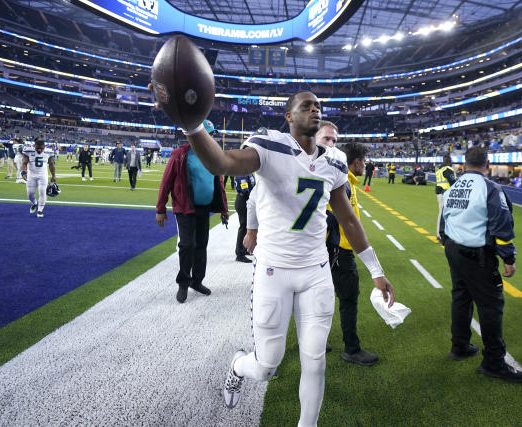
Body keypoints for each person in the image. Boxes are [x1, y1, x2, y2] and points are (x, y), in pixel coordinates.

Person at [151, 86, 395, 425]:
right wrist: (192, 125)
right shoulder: (267, 144)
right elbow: (221, 162)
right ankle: (239, 365)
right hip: (273, 271)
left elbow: (348, 219)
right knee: (267, 366)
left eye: (318, 106)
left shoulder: (335, 161)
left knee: (315, 361)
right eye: (306, 106)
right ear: (289, 116)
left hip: (316, 271)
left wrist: (376, 270)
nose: (315, 110)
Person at [439, 146, 522, 383]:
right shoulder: (490, 188)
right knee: (490, 306)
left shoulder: (453, 186)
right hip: (476, 253)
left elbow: (443, 218)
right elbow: (502, 225)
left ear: (464, 164)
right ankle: (494, 363)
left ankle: (459, 346)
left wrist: (446, 242)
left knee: (461, 297)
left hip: (453, 247)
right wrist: (508, 258)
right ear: (487, 165)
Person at [325, 142, 380, 366]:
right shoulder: (343, 182)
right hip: (339, 251)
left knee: (324, 298)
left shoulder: (346, 181)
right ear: (356, 162)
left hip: (335, 250)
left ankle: (315, 341)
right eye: (364, 161)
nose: (365, 165)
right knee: (348, 299)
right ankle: (351, 348)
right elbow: (331, 219)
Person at [155, 141, 229, 303]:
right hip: (185, 207)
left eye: (211, 135)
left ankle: (197, 281)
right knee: (187, 245)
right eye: (207, 134)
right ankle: (183, 283)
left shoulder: (213, 155)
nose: (208, 137)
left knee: (201, 245)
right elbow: (166, 181)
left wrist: (223, 208)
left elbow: (219, 183)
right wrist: (160, 208)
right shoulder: (180, 154)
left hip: (204, 207)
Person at [21, 138, 56, 218]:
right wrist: (24, 172)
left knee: (42, 192)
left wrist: (53, 175)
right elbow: (24, 162)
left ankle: (40, 210)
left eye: (41, 148)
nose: (39, 150)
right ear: (34, 146)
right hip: (31, 175)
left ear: (44, 146)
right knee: (30, 194)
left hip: (43, 175)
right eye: (37, 148)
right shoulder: (28, 150)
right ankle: (34, 203)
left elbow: (51, 164)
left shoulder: (48, 151)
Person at [234, 173, 256, 263]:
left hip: (246, 199)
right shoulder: (242, 174)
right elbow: (245, 190)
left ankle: (244, 249)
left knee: (246, 225)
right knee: (243, 226)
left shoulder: (248, 172)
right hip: (243, 200)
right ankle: (239, 253)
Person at [435, 155, 456, 239]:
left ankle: (439, 233)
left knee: (441, 212)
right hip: (446, 192)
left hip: (439, 191)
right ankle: (441, 234)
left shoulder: (440, 169)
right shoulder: (448, 169)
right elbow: (452, 182)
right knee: (444, 213)